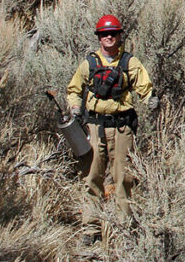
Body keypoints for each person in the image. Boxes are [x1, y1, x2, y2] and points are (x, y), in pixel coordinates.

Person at [66, 14, 157, 244]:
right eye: (105, 34)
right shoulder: (89, 64)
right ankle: (90, 229)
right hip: (95, 127)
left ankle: (124, 229)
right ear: (99, 37)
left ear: (119, 36)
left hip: (122, 128)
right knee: (92, 177)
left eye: (113, 33)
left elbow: (144, 87)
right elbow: (74, 89)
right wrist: (75, 108)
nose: (109, 37)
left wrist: (151, 100)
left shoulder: (130, 63)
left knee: (123, 178)